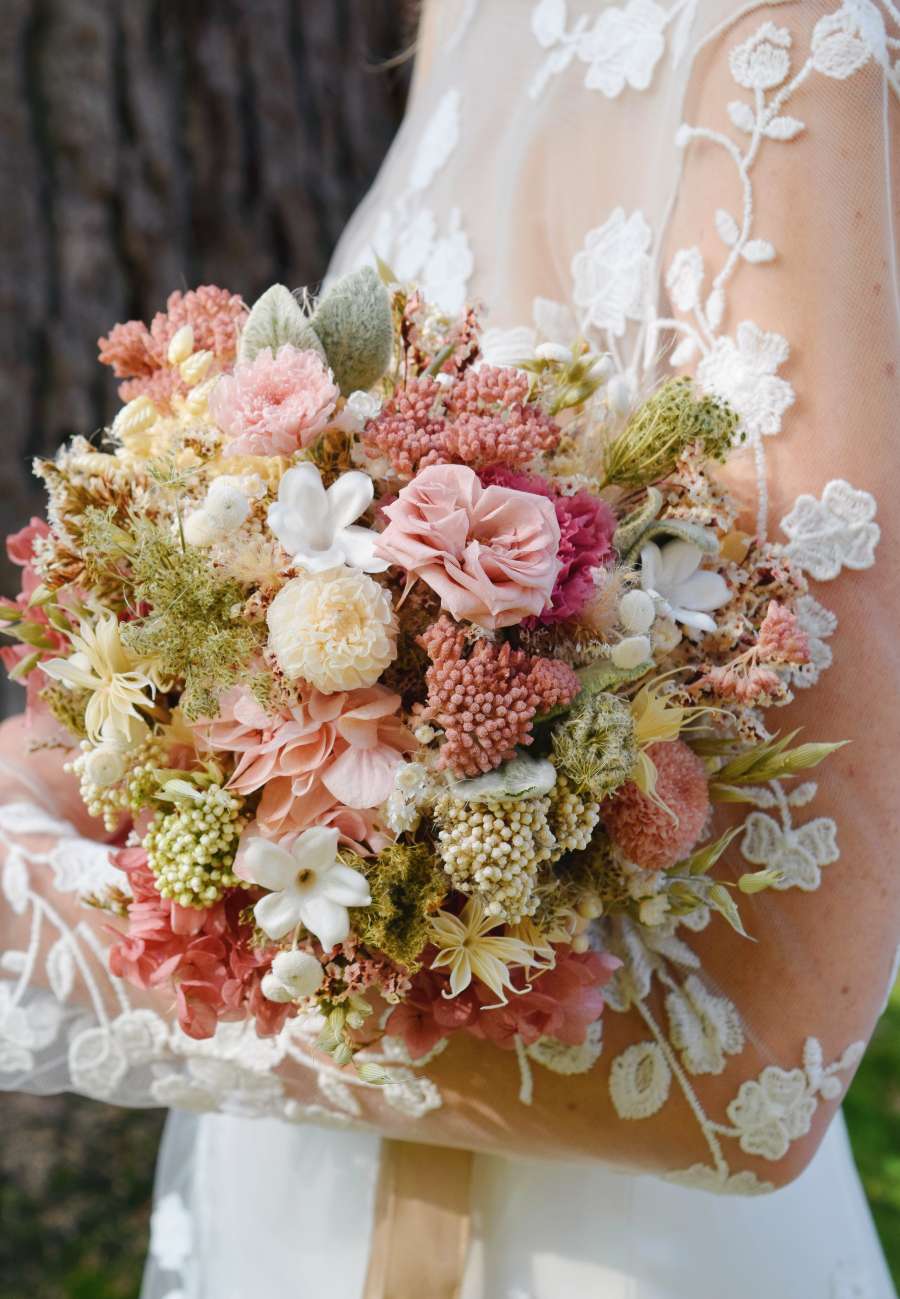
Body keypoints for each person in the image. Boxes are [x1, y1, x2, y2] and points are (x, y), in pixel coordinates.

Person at [1, 2, 897, 1295]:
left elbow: (754, 1072)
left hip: (587, 1245)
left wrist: (45, 931)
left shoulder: (783, 41)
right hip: (304, 1192)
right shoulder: (465, 18)